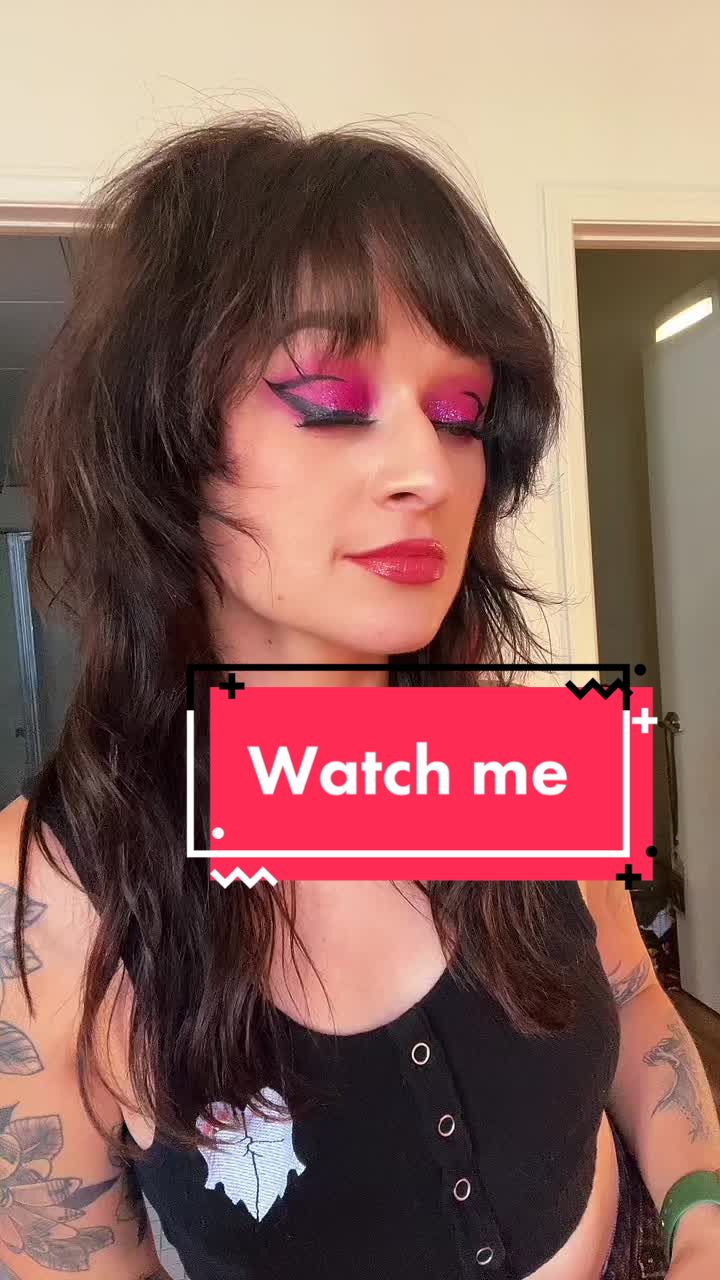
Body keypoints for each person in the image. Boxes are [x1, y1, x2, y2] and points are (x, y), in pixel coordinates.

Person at [1, 112, 719, 1280]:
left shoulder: (526, 757)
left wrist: (703, 1211)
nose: (427, 470)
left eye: (461, 415)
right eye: (332, 399)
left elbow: (634, 996)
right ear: (162, 439)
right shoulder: (42, 899)